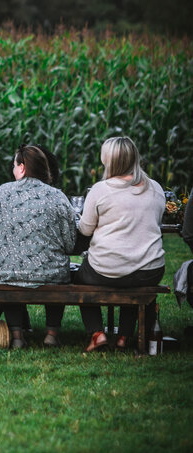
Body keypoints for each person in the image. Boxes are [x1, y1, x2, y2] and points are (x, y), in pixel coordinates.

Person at [0, 144, 76, 348]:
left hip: (4, 273)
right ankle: (51, 333)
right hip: (49, 273)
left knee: (10, 275)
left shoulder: (1, 193)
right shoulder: (58, 197)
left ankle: (16, 336)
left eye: (14, 165)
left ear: (21, 167)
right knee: (58, 271)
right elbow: (70, 244)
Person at [74, 135, 165, 352]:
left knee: (80, 277)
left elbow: (85, 230)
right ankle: (124, 336)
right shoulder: (156, 189)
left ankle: (97, 333)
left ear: (111, 161)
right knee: (134, 278)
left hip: (106, 269)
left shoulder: (100, 190)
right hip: (150, 269)